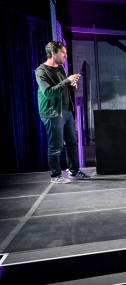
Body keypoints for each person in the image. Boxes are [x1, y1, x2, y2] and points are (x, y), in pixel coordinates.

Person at [36, 41, 90, 183]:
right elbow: (48, 93)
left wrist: (71, 85)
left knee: (72, 141)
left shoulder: (60, 68)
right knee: (56, 145)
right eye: (62, 52)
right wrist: (67, 81)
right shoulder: (41, 71)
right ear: (53, 53)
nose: (65, 55)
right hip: (53, 112)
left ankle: (74, 171)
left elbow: (62, 88)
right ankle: (55, 175)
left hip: (66, 111)